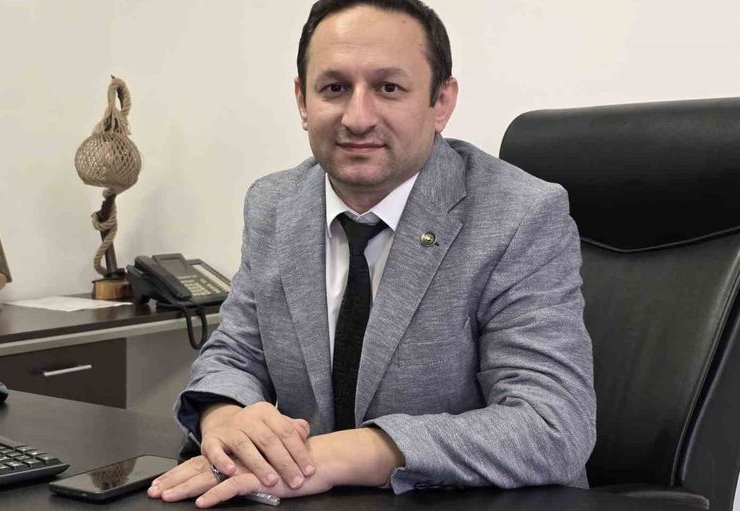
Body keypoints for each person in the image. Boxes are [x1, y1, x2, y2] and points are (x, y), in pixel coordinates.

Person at [148, 0, 596, 507]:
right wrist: (226, 418)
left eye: (389, 88)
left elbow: (552, 425)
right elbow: (236, 353)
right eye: (334, 88)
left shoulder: (520, 215)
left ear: (441, 102)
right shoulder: (274, 204)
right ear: (302, 101)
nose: (358, 118)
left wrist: (337, 455)